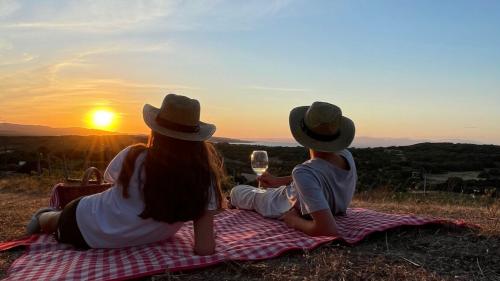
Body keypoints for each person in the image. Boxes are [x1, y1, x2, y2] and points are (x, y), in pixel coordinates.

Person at [26, 94, 225, 255]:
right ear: (197, 141)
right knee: (52, 220)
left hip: (86, 224)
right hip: (84, 220)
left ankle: (49, 216)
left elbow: (110, 182)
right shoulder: (203, 180)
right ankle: (44, 215)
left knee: (60, 221)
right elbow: (205, 248)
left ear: (155, 132)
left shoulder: (133, 156)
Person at [229, 101, 357, 236]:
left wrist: (293, 220)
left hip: (277, 204)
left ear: (303, 133)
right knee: (261, 190)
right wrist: (278, 181)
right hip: (294, 195)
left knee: (237, 191)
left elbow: (328, 230)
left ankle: (229, 202)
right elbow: (316, 178)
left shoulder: (303, 172)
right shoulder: (346, 155)